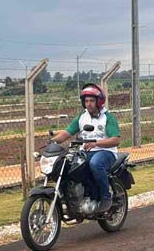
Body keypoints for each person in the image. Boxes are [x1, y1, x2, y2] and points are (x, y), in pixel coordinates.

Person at [51, 83, 121, 211]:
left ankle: (106, 197)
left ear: (99, 102)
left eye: (92, 101)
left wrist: (96, 143)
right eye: (86, 101)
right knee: (68, 166)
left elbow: (115, 140)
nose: (89, 104)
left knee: (95, 163)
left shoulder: (107, 117)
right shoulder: (82, 117)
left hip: (106, 152)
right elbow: (67, 133)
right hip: (86, 152)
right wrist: (52, 142)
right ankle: (73, 200)